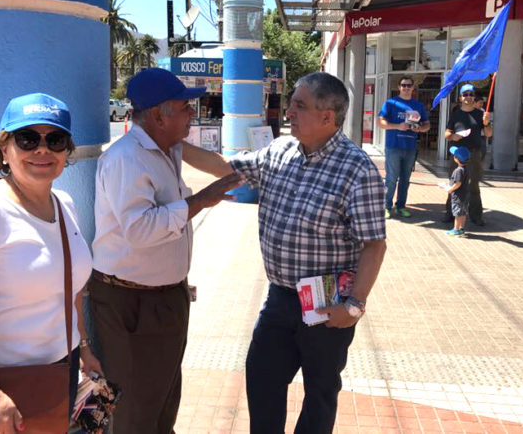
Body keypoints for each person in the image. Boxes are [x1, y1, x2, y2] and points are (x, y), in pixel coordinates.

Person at [182, 72, 387, 433]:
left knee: (320, 391)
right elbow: (227, 168)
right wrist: (170, 143)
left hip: (325, 299)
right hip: (280, 295)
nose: (288, 111)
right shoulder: (280, 151)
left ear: (328, 117)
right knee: (262, 378)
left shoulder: (357, 169)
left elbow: (374, 244)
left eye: (300, 105)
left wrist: (355, 304)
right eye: (292, 102)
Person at [0, 93, 102, 433]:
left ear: (66, 152)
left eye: (55, 140)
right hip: (1, 382)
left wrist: (84, 349)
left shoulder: (65, 205)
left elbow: (69, 291)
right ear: (4, 148)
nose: (42, 150)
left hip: (61, 370)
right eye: (28, 139)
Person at [89, 68, 242, 433]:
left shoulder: (167, 147)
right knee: (134, 404)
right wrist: (200, 200)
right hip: (130, 303)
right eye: (185, 107)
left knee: (163, 394)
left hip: (163, 298)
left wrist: (249, 170)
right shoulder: (127, 159)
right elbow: (140, 228)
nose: (193, 112)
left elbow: (212, 162)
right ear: (159, 115)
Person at [377, 76, 430, 218]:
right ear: (399, 87)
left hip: (410, 148)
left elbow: (427, 125)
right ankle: (386, 206)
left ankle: (400, 206)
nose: (406, 88)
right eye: (403, 85)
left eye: (409, 85)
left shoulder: (418, 105)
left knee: (405, 180)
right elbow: (380, 123)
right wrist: (397, 126)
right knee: (391, 178)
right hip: (393, 146)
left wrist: (419, 129)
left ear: (413, 88)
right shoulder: (391, 103)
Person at [444, 84, 492, 226]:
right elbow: (446, 133)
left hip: (474, 154)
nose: (468, 97)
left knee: (473, 185)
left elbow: (489, 134)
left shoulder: (480, 114)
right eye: (465, 94)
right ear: (460, 98)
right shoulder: (455, 114)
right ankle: (449, 213)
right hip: (457, 153)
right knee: (454, 183)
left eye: (471, 94)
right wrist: (453, 137)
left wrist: (487, 123)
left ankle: (476, 216)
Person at [440, 146, 471, 238]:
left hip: (458, 196)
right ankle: (461, 228)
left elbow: (458, 183)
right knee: (463, 212)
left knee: (457, 213)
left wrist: (449, 189)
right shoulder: (466, 169)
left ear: (456, 159)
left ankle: (456, 229)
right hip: (465, 195)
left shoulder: (458, 170)